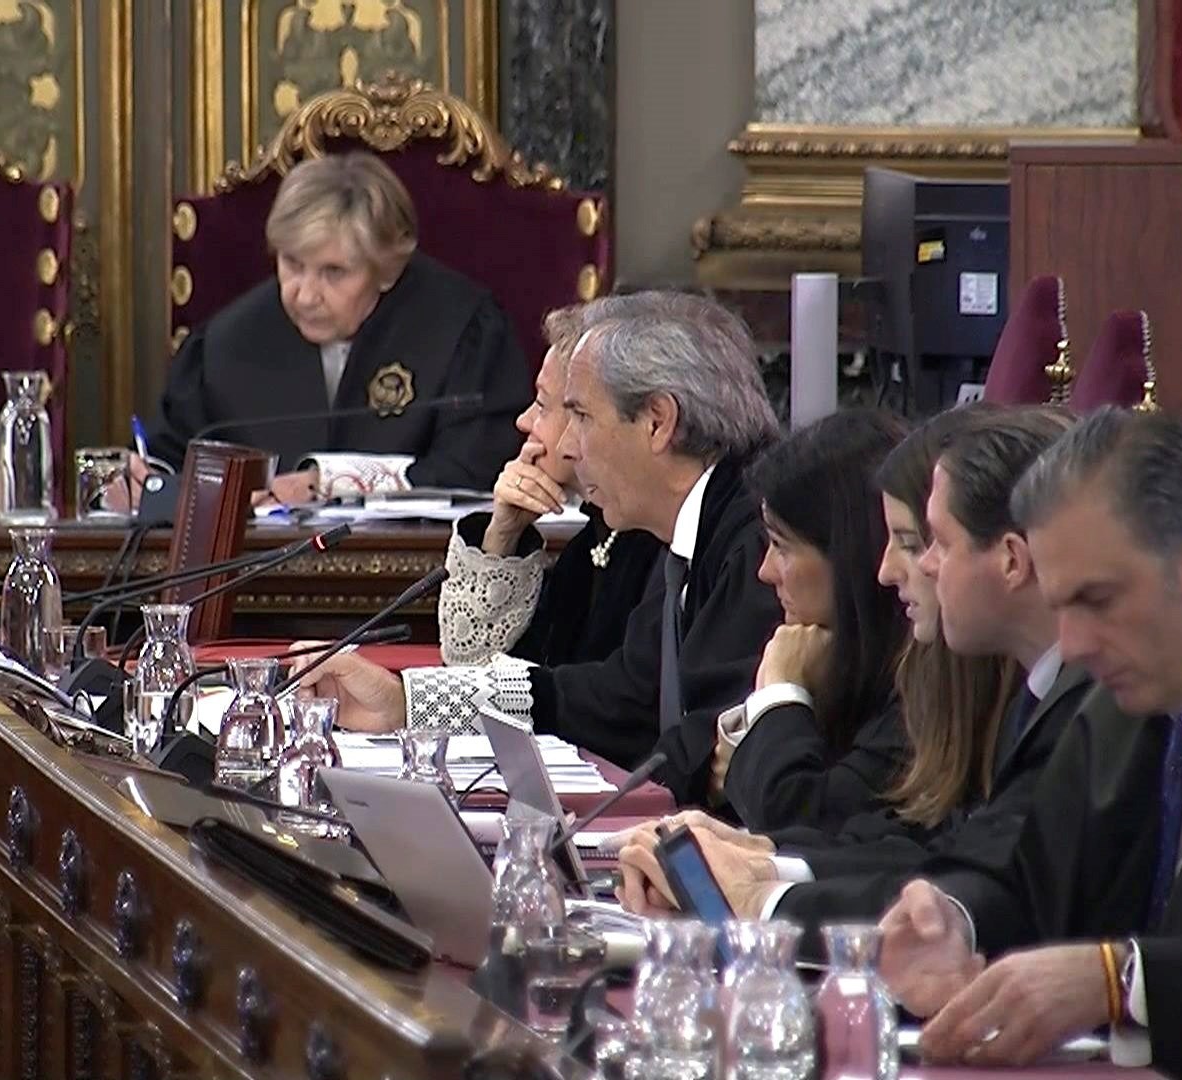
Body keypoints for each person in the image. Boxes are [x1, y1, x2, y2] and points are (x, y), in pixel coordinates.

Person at [873, 408, 1182, 1079]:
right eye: (1062, 606)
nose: (1075, 644)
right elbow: (1031, 882)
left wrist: (1125, 982)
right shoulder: (1116, 709)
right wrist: (952, 922)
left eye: (1097, 601)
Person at [618, 407, 1098, 930]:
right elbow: (927, 848)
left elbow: (973, 881)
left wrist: (763, 895)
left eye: (924, 543)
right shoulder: (1027, 688)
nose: (892, 570)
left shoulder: (1077, 703)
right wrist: (766, 859)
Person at [294, 304, 783, 804]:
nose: (569, 447)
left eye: (581, 417)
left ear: (657, 422)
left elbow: (709, 743)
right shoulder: (689, 531)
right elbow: (618, 695)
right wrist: (406, 702)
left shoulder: (758, 540)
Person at [147, 151, 528, 502]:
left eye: (334, 272)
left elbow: (478, 470)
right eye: (292, 264)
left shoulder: (463, 331)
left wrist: (329, 482)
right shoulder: (223, 344)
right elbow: (171, 461)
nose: (305, 295)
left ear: (387, 270)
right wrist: (144, 481)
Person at [438, 295, 726, 668]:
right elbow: (478, 667)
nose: (524, 422)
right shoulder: (591, 542)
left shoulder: (659, 533)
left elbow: (620, 693)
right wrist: (502, 538)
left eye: (543, 405)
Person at [695, 407, 911, 833]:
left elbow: (793, 819)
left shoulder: (918, 692)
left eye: (781, 545)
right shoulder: (830, 656)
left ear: (851, 554)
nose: (765, 571)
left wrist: (781, 690)